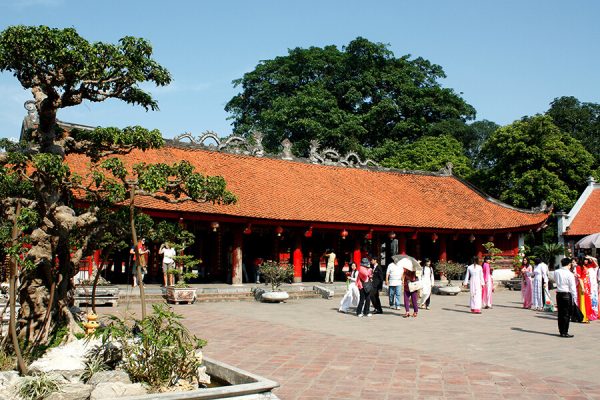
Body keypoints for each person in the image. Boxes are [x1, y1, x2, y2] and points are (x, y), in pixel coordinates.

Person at [554, 257, 577, 338]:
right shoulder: (570, 274)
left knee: (560, 313)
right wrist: (575, 298)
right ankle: (565, 332)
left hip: (559, 294)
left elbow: (555, 281)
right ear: (569, 264)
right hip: (567, 294)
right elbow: (573, 288)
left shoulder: (556, 272)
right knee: (566, 314)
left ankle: (561, 331)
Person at [574, 256, 592, 322]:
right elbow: (580, 278)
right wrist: (582, 287)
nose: (586, 261)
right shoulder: (579, 267)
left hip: (587, 285)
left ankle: (586, 316)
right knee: (582, 301)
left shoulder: (585, 267)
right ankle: (582, 317)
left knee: (587, 301)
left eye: (587, 260)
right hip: (582, 285)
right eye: (585, 260)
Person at [587, 256, 599, 320]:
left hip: (594, 287)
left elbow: (596, 263)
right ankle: (590, 313)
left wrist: (590, 257)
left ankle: (595, 313)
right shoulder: (586, 268)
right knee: (590, 300)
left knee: (594, 300)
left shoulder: (594, 268)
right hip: (589, 286)